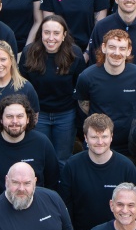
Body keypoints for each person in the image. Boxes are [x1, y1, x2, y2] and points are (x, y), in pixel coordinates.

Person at [0, 95, 60, 217]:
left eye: (20, 116)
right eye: (9, 116)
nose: (14, 121)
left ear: (27, 119)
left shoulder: (42, 143)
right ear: (0, 119)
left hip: (34, 213)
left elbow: (52, 183)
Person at [20, 15, 87, 162]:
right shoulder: (28, 53)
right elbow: (23, 87)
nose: (51, 38)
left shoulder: (75, 55)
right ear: (40, 33)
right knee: (39, 157)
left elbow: (80, 87)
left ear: (64, 35)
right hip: (38, 114)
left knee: (62, 159)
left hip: (66, 115)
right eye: (46, 32)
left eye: (56, 33)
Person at [76, 29, 136, 153]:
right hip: (98, 142)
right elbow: (84, 104)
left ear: (128, 51)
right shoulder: (87, 77)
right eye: (112, 47)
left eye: (122, 48)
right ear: (104, 48)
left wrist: (129, 115)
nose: (117, 53)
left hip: (129, 143)